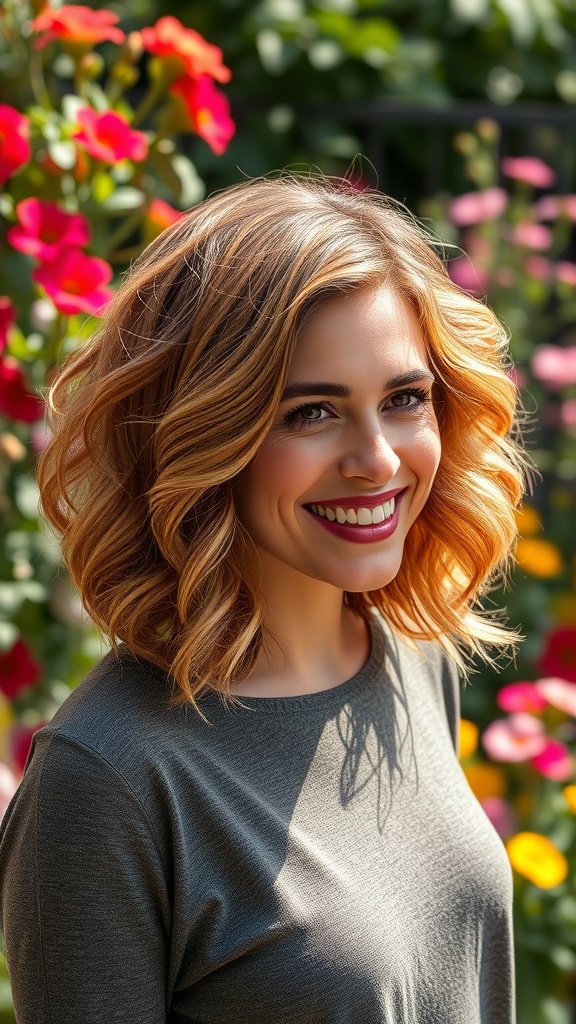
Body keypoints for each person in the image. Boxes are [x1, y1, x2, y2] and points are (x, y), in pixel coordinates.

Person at [0, 174, 527, 1023]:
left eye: (403, 399)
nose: (379, 461)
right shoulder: (109, 780)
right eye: (312, 413)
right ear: (207, 434)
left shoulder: (413, 656)